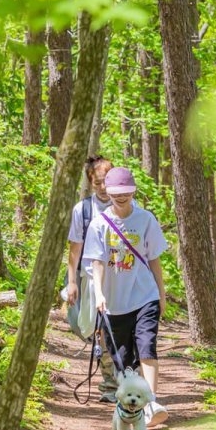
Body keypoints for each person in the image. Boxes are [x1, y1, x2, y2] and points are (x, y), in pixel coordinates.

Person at [83, 166, 169, 427]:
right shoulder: (99, 224)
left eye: (126, 193)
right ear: (107, 192)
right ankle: (131, 409)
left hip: (145, 295)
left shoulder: (146, 220)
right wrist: (99, 294)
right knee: (124, 358)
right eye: (116, 193)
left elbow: (154, 260)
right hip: (113, 302)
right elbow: (97, 263)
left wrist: (161, 295)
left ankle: (151, 401)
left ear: (133, 192)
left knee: (147, 345)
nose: (121, 198)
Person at [65, 155, 119, 402]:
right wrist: (72, 281)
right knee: (91, 329)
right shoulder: (83, 210)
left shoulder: (126, 205)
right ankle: (111, 380)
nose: (104, 187)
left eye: (107, 180)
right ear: (90, 183)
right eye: (98, 183)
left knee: (115, 330)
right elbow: (74, 249)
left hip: (121, 278)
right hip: (89, 278)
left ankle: (115, 384)